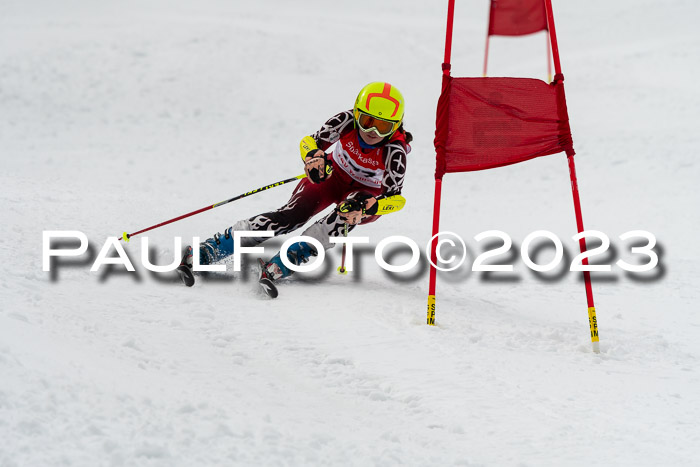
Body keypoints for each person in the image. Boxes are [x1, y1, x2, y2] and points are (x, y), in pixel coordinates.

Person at [177, 82, 412, 295]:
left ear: (396, 126)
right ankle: (211, 250)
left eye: (383, 126)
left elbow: (396, 200)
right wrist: (314, 157)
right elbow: (309, 141)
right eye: (368, 121)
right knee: (292, 216)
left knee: (347, 211)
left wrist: (373, 207)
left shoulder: (395, 152)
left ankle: (284, 262)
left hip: (366, 195)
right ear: (357, 114)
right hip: (333, 177)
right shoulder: (345, 121)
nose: (373, 132)